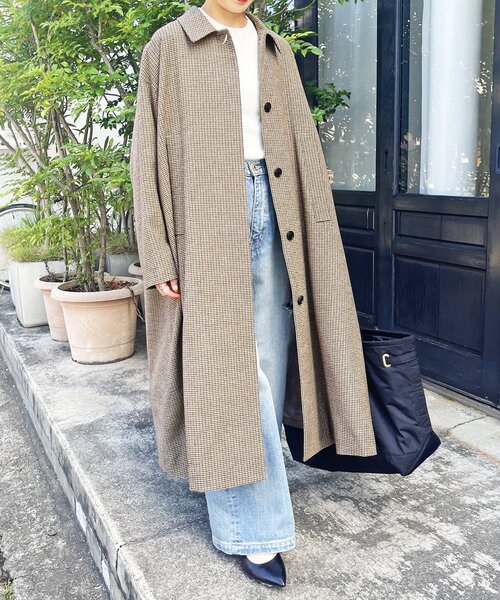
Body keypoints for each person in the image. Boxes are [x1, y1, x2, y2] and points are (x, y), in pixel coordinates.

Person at [130, 0, 377, 589]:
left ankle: (237, 482)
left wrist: (316, 236)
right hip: (205, 223)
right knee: (229, 375)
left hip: (276, 205)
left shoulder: (274, 48)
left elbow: (303, 145)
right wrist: (158, 252)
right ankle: (255, 530)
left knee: (265, 364)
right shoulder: (169, 46)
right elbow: (146, 154)